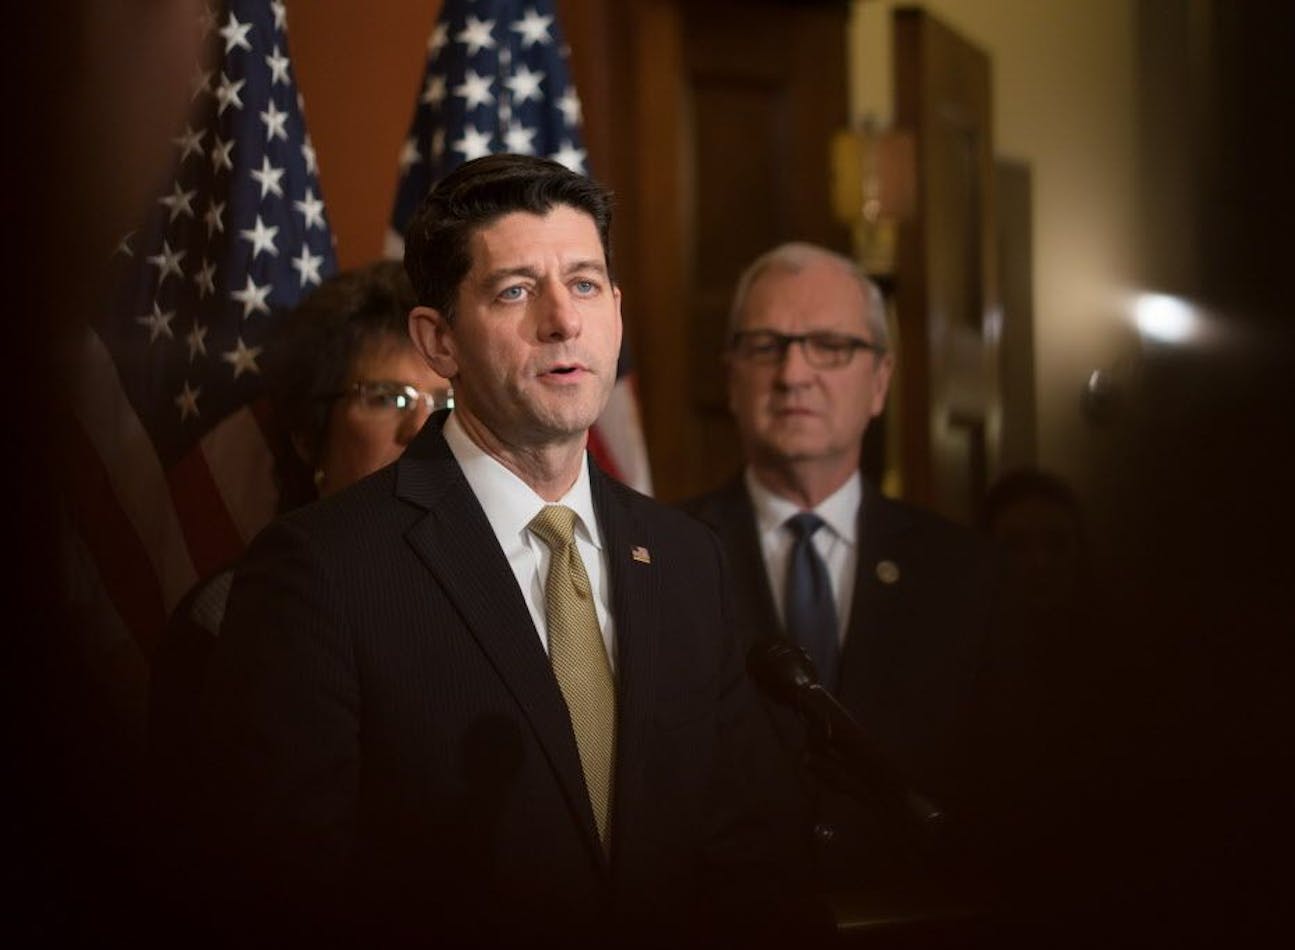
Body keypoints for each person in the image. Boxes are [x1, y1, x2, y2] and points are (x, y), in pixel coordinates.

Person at [197, 155, 823, 947]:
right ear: (439, 340)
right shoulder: (322, 569)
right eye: (516, 290)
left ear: (618, 312)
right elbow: (277, 896)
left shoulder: (686, 557)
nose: (563, 321)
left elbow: (755, 862)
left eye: (586, 284)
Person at [681, 242, 1011, 932]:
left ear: (881, 381)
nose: (794, 372)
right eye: (767, 346)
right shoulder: (661, 559)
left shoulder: (970, 575)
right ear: (730, 376)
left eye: (829, 346)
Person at [147, 260, 451, 850]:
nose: (422, 428)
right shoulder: (235, 612)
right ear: (310, 436)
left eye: (445, 403)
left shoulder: (509, 588)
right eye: (388, 396)